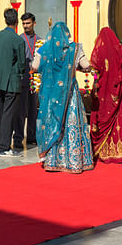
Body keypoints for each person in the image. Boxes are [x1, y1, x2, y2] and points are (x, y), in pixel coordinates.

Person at [32, 22, 94, 173]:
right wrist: (79, 67)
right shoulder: (75, 48)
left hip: (51, 95)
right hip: (69, 95)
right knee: (71, 123)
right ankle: (73, 161)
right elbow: (86, 65)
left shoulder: (44, 49)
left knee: (53, 122)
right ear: (67, 34)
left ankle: (52, 161)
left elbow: (34, 67)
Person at [89, 27, 122, 163]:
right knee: (119, 120)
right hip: (117, 92)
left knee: (102, 118)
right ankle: (120, 151)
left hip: (103, 93)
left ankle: (102, 152)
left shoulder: (98, 51)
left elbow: (93, 70)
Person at [0, 8, 26, 157]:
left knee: (0, 112)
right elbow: (21, 63)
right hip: (12, 81)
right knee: (8, 114)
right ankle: (4, 147)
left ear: (6, 20)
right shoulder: (18, 40)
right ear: (16, 21)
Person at [18, 12, 40, 147]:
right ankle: (19, 136)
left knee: (33, 110)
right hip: (23, 79)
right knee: (21, 111)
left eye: (28, 23)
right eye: (24, 23)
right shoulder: (20, 39)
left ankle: (32, 136)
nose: (26, 26)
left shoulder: (40, 40)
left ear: (34, 23)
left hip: (36, 80)